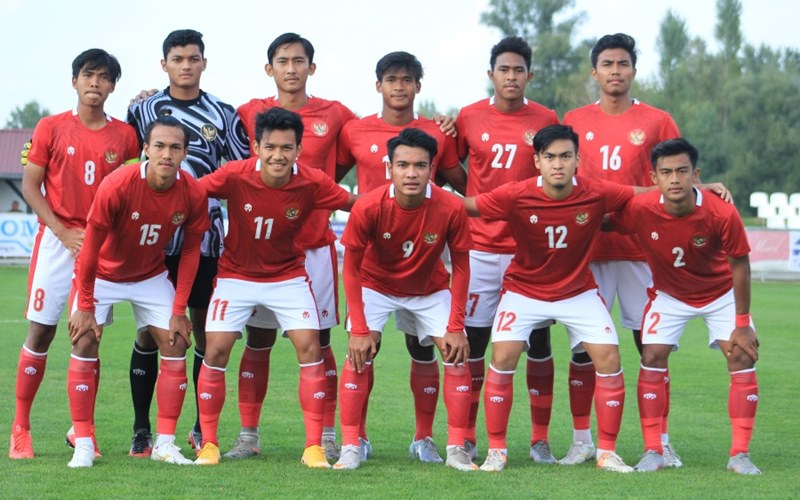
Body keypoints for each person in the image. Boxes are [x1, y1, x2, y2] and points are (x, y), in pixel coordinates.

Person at [464, 124, 637, 473]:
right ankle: (496, 451)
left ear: (578, 160)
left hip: (577, 291)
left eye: (565, 156)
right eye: (550, 157)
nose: (558, 164)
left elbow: (643, 194)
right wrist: (419, 195)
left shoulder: (596, 192)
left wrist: (699, 190)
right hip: (524, 289)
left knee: (609, 357)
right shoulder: (516, 194)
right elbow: (468, 206)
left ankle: (606, 452)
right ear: (537, 161)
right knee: (504, 355)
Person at [193, 108, 356, 467]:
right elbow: (192, 191)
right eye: (270, 147)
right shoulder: (235, 175)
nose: (278, 156)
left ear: (299, 150)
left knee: (311, 346)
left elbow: (355, 205)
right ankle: (210, 444)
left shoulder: (312, 181)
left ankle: (314, 447)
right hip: (236, 275)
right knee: (215, 350)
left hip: (287, 276)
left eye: (286, 148)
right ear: (256, 147)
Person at [334, 51, 466, 463]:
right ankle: (353, 443)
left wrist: (456, 326)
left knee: (452, 353)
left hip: (427, 284)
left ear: (431, 167)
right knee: (359, 351)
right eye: (403, 165)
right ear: (389, 166)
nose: (412, 172)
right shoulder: (366, 198)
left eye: (420, 166)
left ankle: (443, 444)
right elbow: (351, 267)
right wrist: (358, 327)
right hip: (375, 280)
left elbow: (461, 261)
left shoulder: (448, 198)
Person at [125, 28, 250, 458]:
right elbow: (126, 161)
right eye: (177, 58)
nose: (185, 65)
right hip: (153, 239)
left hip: (204, 237)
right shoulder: (143, 109)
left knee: (200, 329)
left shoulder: (223, 114)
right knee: (149, 331)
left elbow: (242, 172)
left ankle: (200, 427)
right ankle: (142, 430)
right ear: (164, 64)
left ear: (204, 63)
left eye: (193, 58)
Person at [9, 48, 139, 460]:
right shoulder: (50, 127)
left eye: (104, 77)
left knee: (88, 338)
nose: (95, 83)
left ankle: (82, 431)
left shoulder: (126, 136)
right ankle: (20, 428)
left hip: (100, 247)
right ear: (74, 81)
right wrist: (62, 231)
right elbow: (30, 187)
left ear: (113, 86)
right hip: (56, 241)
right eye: (88, 75)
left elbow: (129, 192)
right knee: (41, 333)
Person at [233, 33, 357, 461]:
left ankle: (327, 435)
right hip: (263, 251)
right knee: (258, 339)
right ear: (269, 68)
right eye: (283, 61)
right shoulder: (249, 111)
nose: (291, 68)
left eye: (299, 60)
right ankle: (248, 436)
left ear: (312, 67)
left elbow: (371, 143)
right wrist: (150, 100)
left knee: (319, 343)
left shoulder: (336, 114)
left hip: (314, 249)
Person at [561, 33, 682, 466]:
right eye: (608, 64)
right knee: (583, 351)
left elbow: (674, 177)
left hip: (640, 252)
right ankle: (581, 440)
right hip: (587, 252)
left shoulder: (658, 121)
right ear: (594, 72)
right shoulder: (574, 119)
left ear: (633, 70)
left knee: (651, 347)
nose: (616, 71)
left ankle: (660, 441)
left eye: (623, 63)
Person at [605, 138, 760, 475]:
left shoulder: (721, 212)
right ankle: (653, 450)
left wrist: (742, 323)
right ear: (654, 177)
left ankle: (740, 455)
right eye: (666, 173)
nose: (674, 179)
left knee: (742, 356)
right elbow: (602, 221)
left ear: (695, 174)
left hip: (719, 293)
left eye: (681, 171)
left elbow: (740, 266)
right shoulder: (641, 208)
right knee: (651, 356)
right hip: (670, 295)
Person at [66, 115, 209, 468]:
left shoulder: (193, 192)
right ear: (145, 149)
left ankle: (165, 443)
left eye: (175, 147)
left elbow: (191, 251)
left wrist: (179, 310)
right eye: (159, 146)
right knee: (84, 339)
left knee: (176, 341)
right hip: (102, 274)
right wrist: (86, 304)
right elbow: (89, 250)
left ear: (185, 153)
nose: (167, 154)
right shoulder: (117, 184)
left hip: (149, 275)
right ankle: (83, 441)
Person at [454, 36, 560, 463]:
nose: (511, 77)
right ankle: (467, 436)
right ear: (491, 74)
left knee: (538, 340)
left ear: (529, 75)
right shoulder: (468, 116)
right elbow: (449, 165)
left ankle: (539, 440)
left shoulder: (546, 118)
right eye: (504, 70)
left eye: (519, 70)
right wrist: (476, 198)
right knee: (475, 341)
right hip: (479, 247)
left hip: (528, 251)